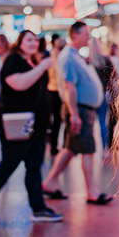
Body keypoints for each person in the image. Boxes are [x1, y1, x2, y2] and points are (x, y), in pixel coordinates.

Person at [0, 30, 62, 224]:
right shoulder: (13, 61)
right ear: (20, 42)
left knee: (34, 166)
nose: (33, 43)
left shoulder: (33, 62)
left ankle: (38, 208)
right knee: (9, 164)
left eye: (35, 40)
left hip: (36, 126)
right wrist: (42, 67)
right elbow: (19, 84)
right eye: (28, 39)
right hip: (16, 124)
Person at [41, 22, 111, 204]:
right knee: (88, 149)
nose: (88, 37)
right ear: (76, 35)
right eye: (85, 34)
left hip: (81, 109)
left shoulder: (75, 55)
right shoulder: (69, 57)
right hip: (78, 108)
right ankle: (92, 191)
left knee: (70, 148)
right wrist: (74, 114)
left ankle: (49, 182)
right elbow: (69, 86)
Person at [88, 37, 115, 151]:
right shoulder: (105, 59)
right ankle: (104, 148)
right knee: (103, 120)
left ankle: (90, 149)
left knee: (90, 122)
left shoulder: (88, 61)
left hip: (92, 94)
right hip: (105, 92)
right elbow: (113, 76)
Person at [46, 34, 66, 155]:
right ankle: (63, 146)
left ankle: (54, 146)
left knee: (55, 121)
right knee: (61, 119)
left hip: (50, 90)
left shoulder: (50, 56)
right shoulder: (61, 58)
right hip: (59, 91)